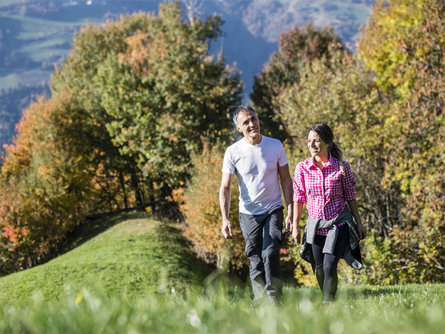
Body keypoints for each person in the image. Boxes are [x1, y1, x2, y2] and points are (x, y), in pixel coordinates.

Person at [219, 105, 293, 304]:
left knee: (270, 253)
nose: (252, 124)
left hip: (273, 208)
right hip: (248, 212)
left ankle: (275, 300)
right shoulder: (233, 152)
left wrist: (290, 212)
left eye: (254, 118)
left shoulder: (275, 145)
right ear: (238, 128)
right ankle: (260, 302)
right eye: (246, 122)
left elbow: (286, 180)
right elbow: (225, 187)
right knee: (255, 258)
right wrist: (225, 218)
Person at [292, 123, 366, 304]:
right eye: (309, 141)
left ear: (328, 143)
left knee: (329, 266)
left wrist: (359, 222)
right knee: (318, 268)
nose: (312, 145)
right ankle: (328, 298)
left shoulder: (341, 167)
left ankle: (327, 302)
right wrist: (295, 225)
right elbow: (298, 198)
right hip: (315, 226)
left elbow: (350, 195)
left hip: (338, 224)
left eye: (316, 141)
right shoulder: (302, 168)